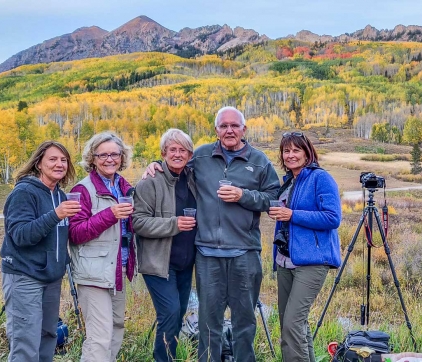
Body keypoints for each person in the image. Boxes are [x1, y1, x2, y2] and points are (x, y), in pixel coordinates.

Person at [146, 106, 280, 362]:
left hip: (245, 251)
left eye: (234, 125)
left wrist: (244, 196)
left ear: (244, 129)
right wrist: (155, 164)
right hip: (207, 253)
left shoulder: (259, 161)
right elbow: (176, 165)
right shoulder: (202, 156)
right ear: (216, 130)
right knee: (209, 324)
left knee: (244, 322)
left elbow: (274, 198)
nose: (229, 130)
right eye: (223, 126)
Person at [0, 140, 80, 362]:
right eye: (52, 159)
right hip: (24, 276)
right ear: (38, 164)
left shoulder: (60, 195)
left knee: (48, 336)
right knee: (25, 342)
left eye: (63, 160)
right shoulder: (24, 192)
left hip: (52, 279)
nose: (59, 164)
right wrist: (55, 215)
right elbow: (20, 235)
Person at [268, 132, 342, 362]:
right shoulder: (289, 181)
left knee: (292, 323)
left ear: (307, 152)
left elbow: (332, 218)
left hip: (312, 261)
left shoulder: (321, 178)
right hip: (285, 259)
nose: (290, 155)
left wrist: (292, 215)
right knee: (292, 323)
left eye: (296, 150)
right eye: (286, 151)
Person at [68, 132, 136, 362]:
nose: (110, 159)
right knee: (99, 336)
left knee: (116, 328)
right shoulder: (82, 190)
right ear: (93, 158)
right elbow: (75, 234)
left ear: (122, 157)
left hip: (117, 269)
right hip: (93, 274)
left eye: (115, 154)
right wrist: (109, 215)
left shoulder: (124, 187)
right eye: (103, 154)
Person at [133, 128, 197, 362]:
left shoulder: (192, 177)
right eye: (172, 149)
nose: (177, 154)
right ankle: (163, 359)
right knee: (169, 313)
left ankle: (169, 355)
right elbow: (138, 222)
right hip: (159, 263)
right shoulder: (150, 182)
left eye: (183, 150)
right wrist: (174, 224)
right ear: (163, 152)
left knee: (178, 314)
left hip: (185, 262)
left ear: (190, 155)